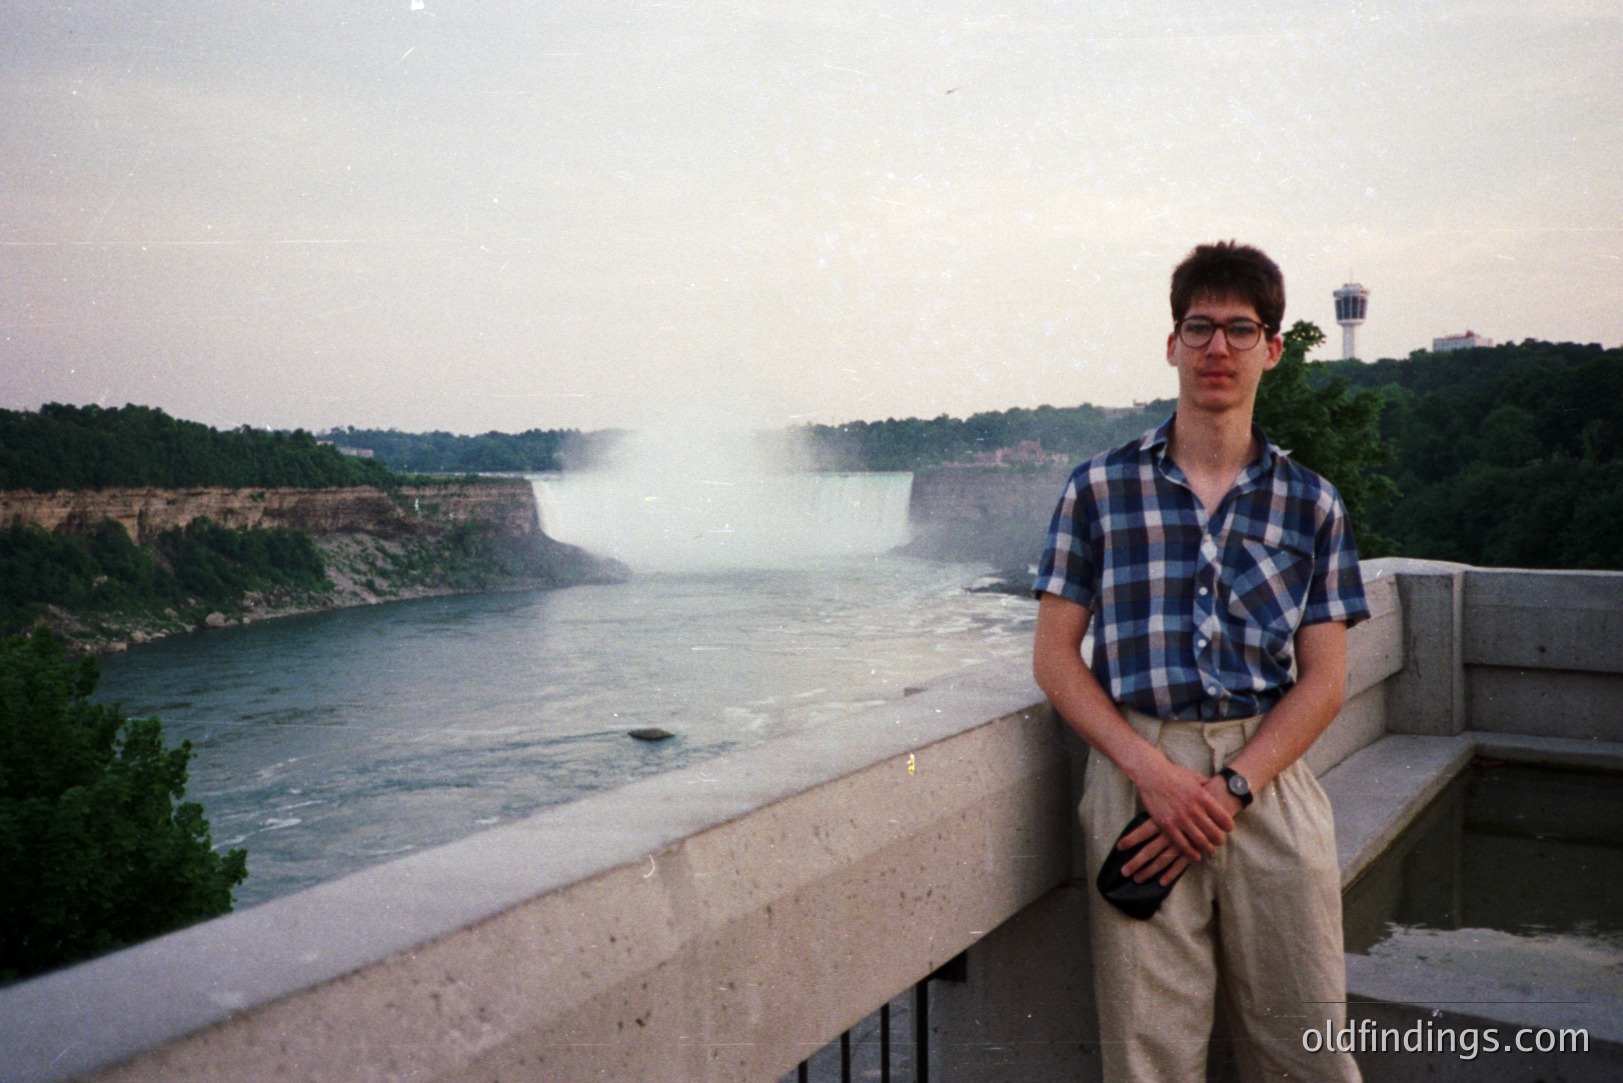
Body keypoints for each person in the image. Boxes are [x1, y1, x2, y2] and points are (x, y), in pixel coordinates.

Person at [1031, 241, 1369, 1082]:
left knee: (1307, 1051)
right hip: (1139, 779)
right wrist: (1153, 771)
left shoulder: (1311, 503)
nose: (1217, 348)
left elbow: (1324, 681)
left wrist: (1228, 787)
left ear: (1271, 349)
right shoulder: (1098, 490)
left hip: (1269, 780)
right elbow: (1054, 658)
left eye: (1239, 330)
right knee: (1150, 1058)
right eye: (1199, 327)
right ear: (1171, 343)